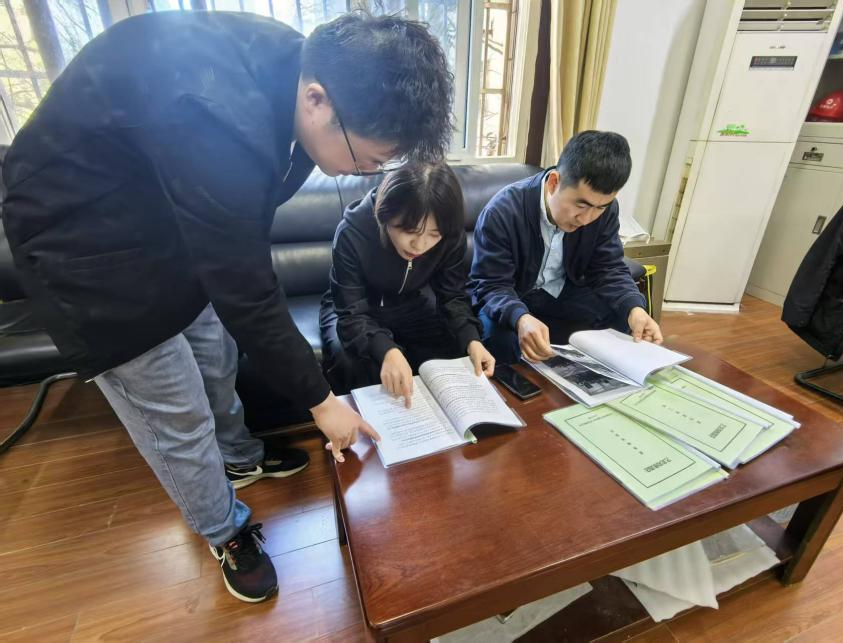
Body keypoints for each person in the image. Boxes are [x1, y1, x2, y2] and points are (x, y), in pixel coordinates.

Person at [1, 10, 454, 603]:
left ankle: (239, 456)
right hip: (85, 249)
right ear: (318, 100)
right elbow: (246, 288)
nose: (368, 173)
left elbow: (235, 253)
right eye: (367, 159)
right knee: (178, 414)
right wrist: (322, 403)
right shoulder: (214, 118)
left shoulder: (297, 65)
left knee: (215, 358)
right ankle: (224, 530)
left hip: (165, 223)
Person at [469, 130, 663, 365]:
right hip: (512, 294)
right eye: (581, 205)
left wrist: (634, 309)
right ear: (554, 183)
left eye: (600, 207)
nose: (587, 219)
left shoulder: (606, 211)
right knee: (501, 339)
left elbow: (608, 268)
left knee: (624, 317)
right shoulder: (503, 211)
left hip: (563, 293)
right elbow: (492, 285)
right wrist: (520, 317)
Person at [320, 163, 495, 405]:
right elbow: (351, 314)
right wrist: (387, 350)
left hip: (409, 303)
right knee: (351, 362)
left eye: (434, 234)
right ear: (384, 214)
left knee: (456, 351)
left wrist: (471, 339)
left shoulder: (450, 235)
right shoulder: (353, 232)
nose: (420, 246)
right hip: (352, 308)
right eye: (410, 230)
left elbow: (453, 295)